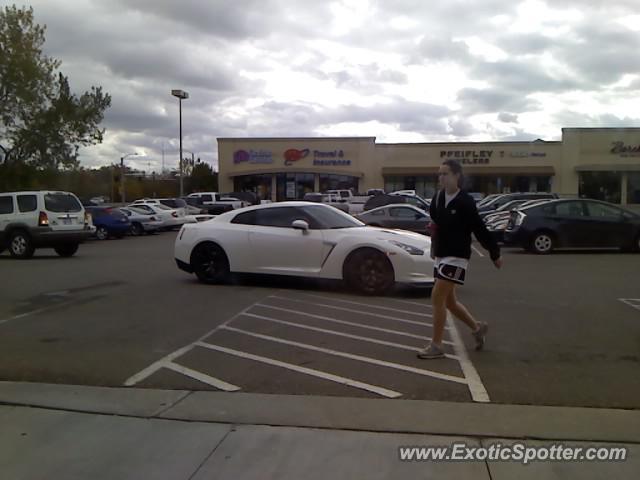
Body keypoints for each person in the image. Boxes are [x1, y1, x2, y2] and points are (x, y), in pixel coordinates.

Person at [417, 159, 502, 359]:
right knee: (450, 302)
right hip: (441, 254)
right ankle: (477, 328)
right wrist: (433, 245)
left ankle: (437, 346)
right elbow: (435, 225)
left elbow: (479, 229)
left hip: (458, 256)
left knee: (437, 296)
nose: (441, 178)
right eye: (439, 174)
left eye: (445, 174)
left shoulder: (465, 201)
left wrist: (494, 253)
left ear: (457, 176)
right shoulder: (437, 198)